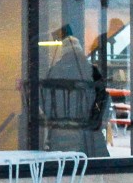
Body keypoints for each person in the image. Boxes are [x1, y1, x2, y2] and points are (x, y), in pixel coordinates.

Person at [39, 24, 111, 158]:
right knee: (98, 169)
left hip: (60, 135)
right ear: (80, 51)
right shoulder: (92, 71)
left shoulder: (54, 72)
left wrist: (57, 119)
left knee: (61, 169)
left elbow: (45, 103)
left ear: (63, 52)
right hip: (89, 137)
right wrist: (97, 121)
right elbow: (104, 99)